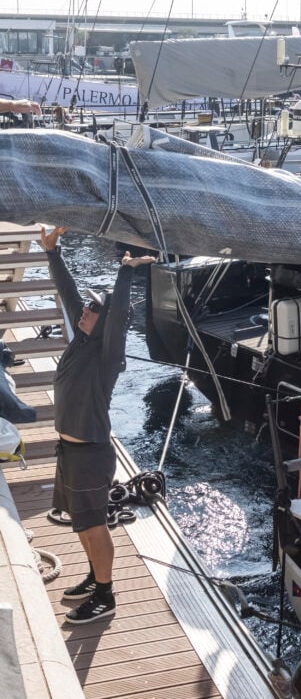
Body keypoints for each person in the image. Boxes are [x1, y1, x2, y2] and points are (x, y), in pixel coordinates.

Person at [42, 226, 156, 624]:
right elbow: (69, 293)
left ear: (102, 322)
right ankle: (95, 577)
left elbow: (119, 315)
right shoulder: (81, 339)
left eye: (93, 311)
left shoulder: (106, 355)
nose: (85, 311)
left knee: (94, 526)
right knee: (81, 525)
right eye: (87, 309)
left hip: (90, 453)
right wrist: (53, 253)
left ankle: (106, 595)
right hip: (70, 451)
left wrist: (125, 272)